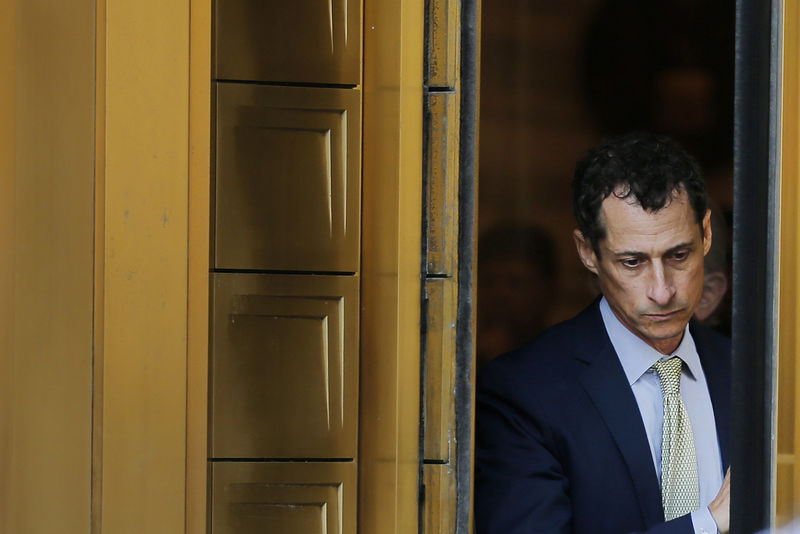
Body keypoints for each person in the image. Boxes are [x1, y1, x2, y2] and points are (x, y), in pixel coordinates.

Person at [476, 132, 731, 534]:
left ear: (707, 234)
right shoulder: (524, 393)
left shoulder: (753, 376)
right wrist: (708, 524)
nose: (662, 290)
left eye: (678, 255)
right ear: (587, 253)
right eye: (632, 262)